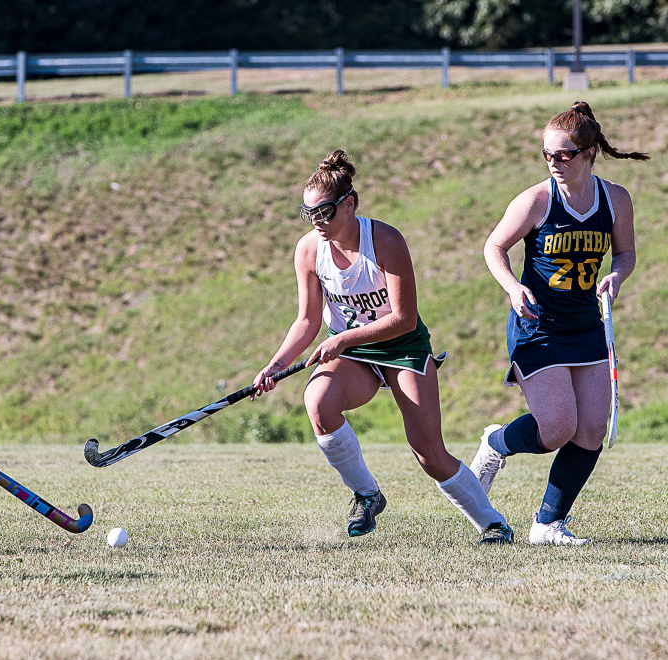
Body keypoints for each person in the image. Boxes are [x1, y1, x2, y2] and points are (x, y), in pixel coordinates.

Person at [253, 150, 512, 545]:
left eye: (325, 212)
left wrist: (340, 339)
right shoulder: (309, 250)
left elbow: (404, 319)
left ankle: (493, 524)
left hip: (401, 347)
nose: (318, 223)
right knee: (318, 403)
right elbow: (307, 320)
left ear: (349, 204)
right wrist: (275, 364)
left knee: (428, 452)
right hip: (354, 354)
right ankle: (367, 494)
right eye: (310, 215)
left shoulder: (385, 240)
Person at [471, 101, 647, 546]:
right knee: (555, 429)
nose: (554, 162)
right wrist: (513, 287)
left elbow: (624, 253)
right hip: (539, 327)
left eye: (564, 155)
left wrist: (617, 276)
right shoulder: (536, 200)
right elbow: (494, 248)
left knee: (591, 430)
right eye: (547, 154)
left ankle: (548, 523)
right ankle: (497, 443)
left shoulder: (615, 199)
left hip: (587, 326)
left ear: (589, 154)